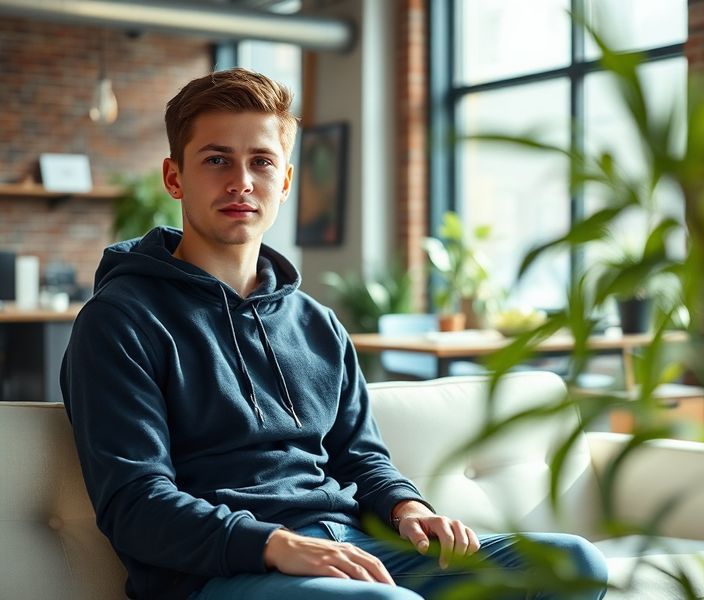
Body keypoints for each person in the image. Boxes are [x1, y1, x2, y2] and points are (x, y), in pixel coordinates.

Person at [60, 67, 607, 600]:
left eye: (261, 162)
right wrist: (275, 544)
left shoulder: (316, 322)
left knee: (572, 565)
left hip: (348, 547)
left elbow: (361, 457)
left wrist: (406, 509)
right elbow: (136, 502)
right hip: (218, 573)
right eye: (216, 160)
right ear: (175, 176)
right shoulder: (120, 321)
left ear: (286, 179)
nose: (241, 182)